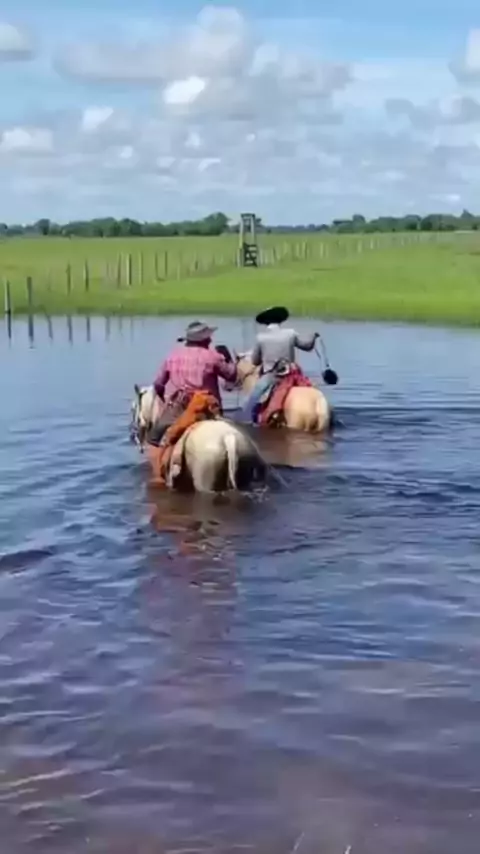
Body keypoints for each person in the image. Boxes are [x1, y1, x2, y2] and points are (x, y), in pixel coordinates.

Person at [243, 306, 318, 421]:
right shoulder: (291, 333)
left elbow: (255, 361)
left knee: (252, 399)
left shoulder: (261, 338)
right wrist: (313, 337)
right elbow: (307, 347)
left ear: (265, 322)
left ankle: (250, 420)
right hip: (293, 373)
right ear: (280, 320)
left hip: (272, 375)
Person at [153, 320, 237, 412]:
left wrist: (163, 399)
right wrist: (228, 358)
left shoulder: (172, 356)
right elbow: (231, 376)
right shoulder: (212, 356)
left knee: (163, 420)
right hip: (206, 409)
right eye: (208, 338)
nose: (210, 340)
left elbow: (158, 384)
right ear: (204, 340)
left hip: (177, 408)